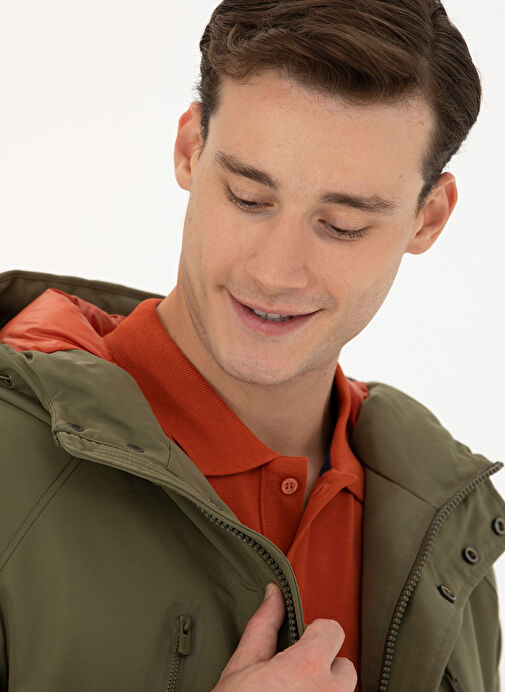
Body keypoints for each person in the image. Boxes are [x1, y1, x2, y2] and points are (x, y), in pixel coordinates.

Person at [0, 0, 504, 690]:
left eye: (342, 225)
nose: (274, 272)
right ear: (189, 148)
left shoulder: (448, 530)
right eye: (247, 197)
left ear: (429, 218)